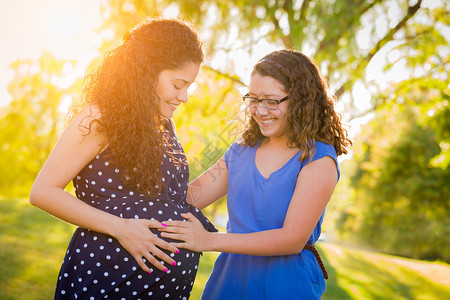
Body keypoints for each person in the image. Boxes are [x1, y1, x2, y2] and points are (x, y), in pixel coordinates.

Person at [29, 17, 216, 299]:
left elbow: (170, 200)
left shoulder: (163, 125)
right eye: (178, 84)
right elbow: (43, 192)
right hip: (107, 279)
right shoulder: (100, 118)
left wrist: (235, 163)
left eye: (189, 85)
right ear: (148, 72)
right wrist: (123, 228)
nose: (184, 96)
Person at [160, 49, 352, 299]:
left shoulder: (318, 159)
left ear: (301, 100)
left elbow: (291, 239)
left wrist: (209, 240)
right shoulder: (241, 150)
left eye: (271, 101)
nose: (260, 110)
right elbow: (189, 198)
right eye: (253, 99)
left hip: (284, 285)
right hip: (228, 283)